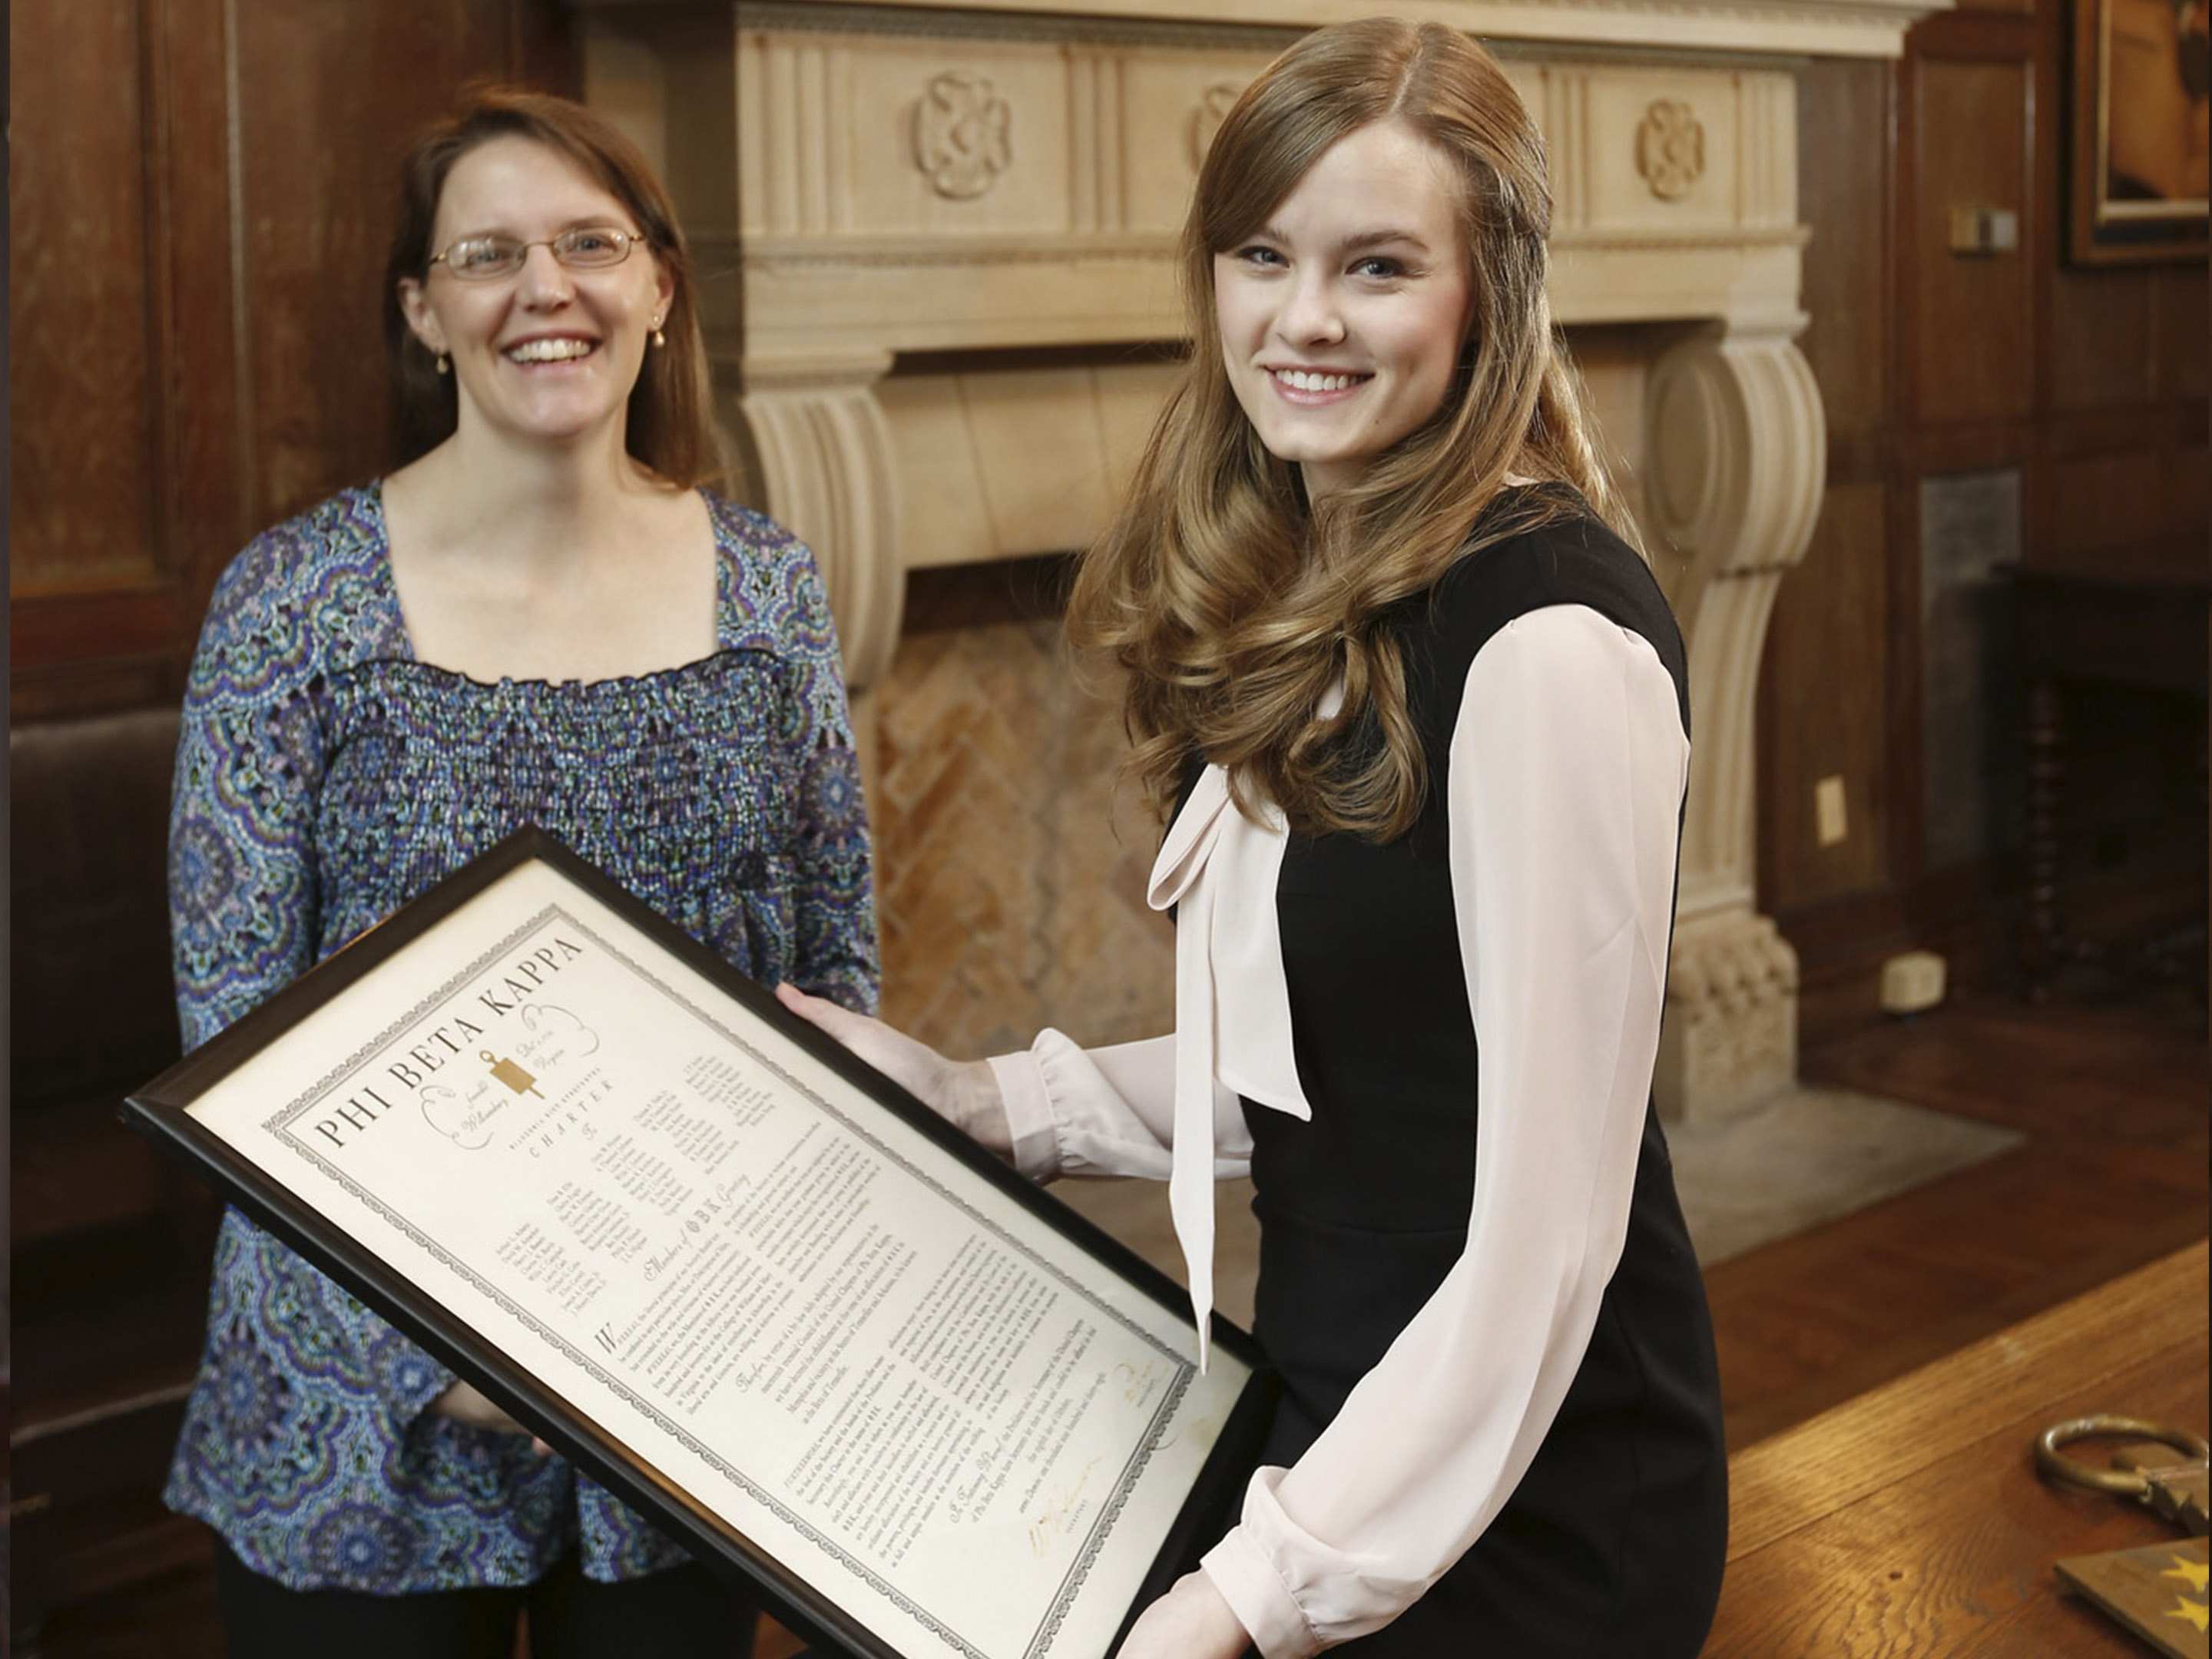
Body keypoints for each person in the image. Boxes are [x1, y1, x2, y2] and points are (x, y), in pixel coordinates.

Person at [780, 18, 1726, 1657]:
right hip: (1346, 1420)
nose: (1300, 319)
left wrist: (1247, 1592)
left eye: (1375, 266)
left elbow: (1547, 1242)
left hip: (1538, 1512)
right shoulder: (1334, 567)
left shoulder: (1544, 648)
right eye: (1262, 255)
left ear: (1489, 289)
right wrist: (989, 1102)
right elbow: (1342, 1064)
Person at [164, 88, 876, 1658]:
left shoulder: (770, 587)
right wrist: (452, 1356)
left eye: (589, 244)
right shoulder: (289, 606)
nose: (544, 289)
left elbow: (836, 981)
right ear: (425, 311)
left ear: (660, 289)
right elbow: (237, 1047)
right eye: (488, 254)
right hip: (363, 1404)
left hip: (681, 1385)